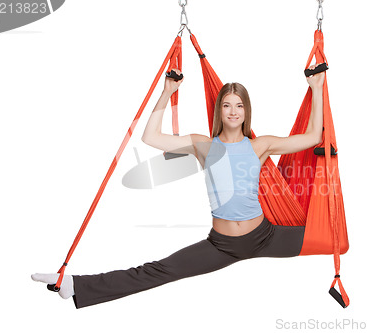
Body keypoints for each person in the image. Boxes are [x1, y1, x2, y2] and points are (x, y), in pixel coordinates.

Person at [32, 64, 325, 309]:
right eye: (226, 105)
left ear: (246, 111)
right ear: (219, 110)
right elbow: (151, 137)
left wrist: (316, 88)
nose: (233, 111)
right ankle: (74, 285)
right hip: (222, 245)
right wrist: (167, 93)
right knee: (158, 270)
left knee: (331, 237)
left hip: (265, 236)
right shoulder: (203, 145)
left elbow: (313, 137)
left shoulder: (261, 145)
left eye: (239, 106)